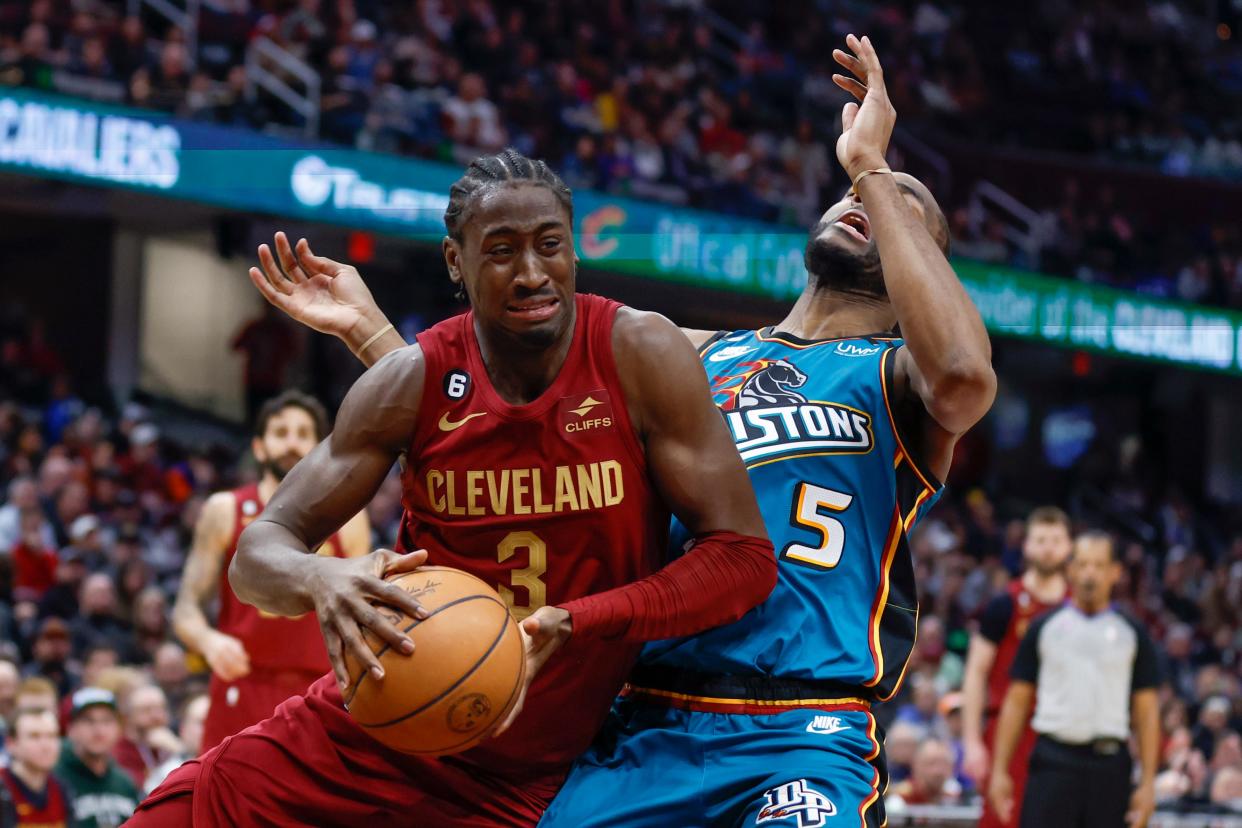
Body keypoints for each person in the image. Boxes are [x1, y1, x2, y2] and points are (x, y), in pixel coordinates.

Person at [243, 34, 995, 826]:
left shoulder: (896, 378)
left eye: (902, 211)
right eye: (851, 192)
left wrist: (875, 166)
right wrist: (374, 336)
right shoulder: (680, 353)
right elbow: (496, 422)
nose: (859, 199)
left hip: (799, 728)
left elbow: (963, 377)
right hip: (637, 722)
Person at [133, 147, 774, 826]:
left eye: (549, 245)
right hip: (376, 726)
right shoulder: (409, 380)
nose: (532, 273)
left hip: (525, 777)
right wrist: (323, 578)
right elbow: (256, 555)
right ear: (454, 263)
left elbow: (742, 558)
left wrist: (581, 620)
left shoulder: (640, 353)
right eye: (501, 251)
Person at [171, 389, 371, 750]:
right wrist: (209, 641)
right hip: (244, 682)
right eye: (280, 433)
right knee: (226, 803)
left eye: (302, 434)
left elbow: (363, 612)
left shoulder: (351, 518)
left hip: (319, 689)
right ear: (260, 447)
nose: (291, 443)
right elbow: (185, 608)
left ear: (319, 447)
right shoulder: (224, 509)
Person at [989, 532, 1161, 828]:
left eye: (1098, 565)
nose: (1089, 573)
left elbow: (1147, 712)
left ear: (1115, 572)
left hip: (1111, 764)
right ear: (1070, 570)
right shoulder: (1043, 627)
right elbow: (1016, 703)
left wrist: (1147, 784)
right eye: (1081, 564)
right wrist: (999, 771)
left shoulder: (1133, 632)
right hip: (1053, 761)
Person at [961, 506, 1072, 824]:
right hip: (1008, 733)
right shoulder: (1004, 604)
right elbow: (976, 672)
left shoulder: (1079, 607)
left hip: (1064, 732)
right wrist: (971, 742)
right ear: (1026, 546)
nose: (1048, 547)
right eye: (1040, 540)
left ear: (1068, 547)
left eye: (1055, 540)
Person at [55, 688, 139, 828]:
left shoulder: (125, 783)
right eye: (89, 721)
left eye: (107, 721)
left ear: (119, 729)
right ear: (71, 729)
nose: (99, 730)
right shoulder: (55, 777)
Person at [0, 707, 71, 827]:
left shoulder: (62, 789)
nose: (46, 745)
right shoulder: (3, 790)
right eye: (34, 736)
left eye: (52, 736)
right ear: (11, 744)